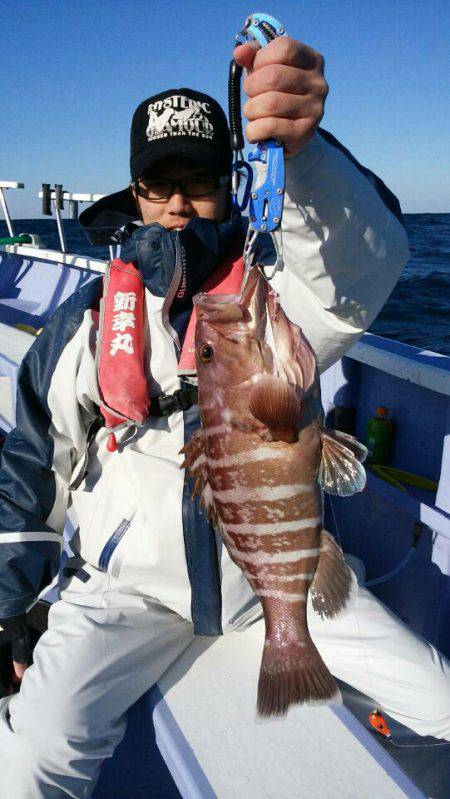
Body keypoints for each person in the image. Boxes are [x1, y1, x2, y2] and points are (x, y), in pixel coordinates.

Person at [0, 35, 448, 798]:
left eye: (200, 179)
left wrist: (303, 155)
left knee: (440, 701)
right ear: (135, 192)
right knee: (32, 754)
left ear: (231, 185)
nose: (178, 202)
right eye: (158, 182)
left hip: (275, 579)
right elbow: (31, 463)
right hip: (126, 591)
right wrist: (11, 605)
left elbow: (363, 263)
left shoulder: (274, 297)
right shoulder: (89, 321)